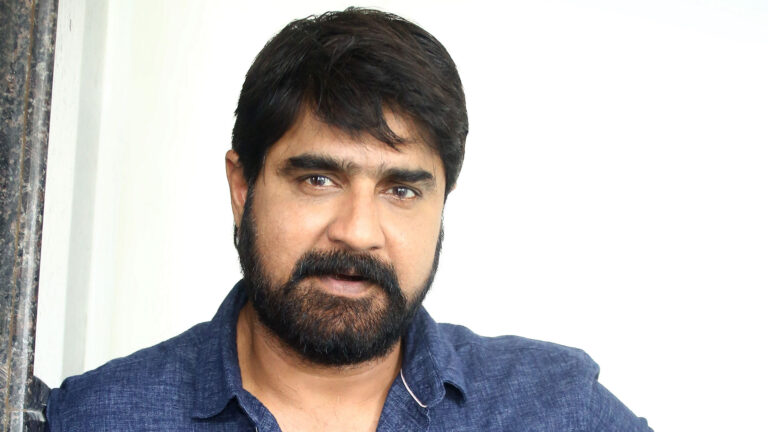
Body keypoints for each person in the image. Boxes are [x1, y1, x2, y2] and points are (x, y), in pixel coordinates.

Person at [45, 8, 652, 431]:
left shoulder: (554, 408)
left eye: (401, 190)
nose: (358, 231)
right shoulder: (95, 417)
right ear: (242, 187)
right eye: (319, 180)